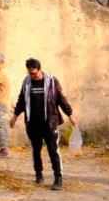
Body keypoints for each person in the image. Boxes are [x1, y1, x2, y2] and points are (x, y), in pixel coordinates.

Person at [10, 57, 74, 191]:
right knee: (36, 150)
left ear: (40, 69)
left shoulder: (51, 81)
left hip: (49, 122)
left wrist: (70, 115)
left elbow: (61, 99)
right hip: (33, 123)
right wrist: (15, 116)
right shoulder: (26, 82)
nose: (32, 75)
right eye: (30, 73)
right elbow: (21, 100)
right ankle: (38, 174)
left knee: (53, 150)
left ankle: (58, 178)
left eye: (34, 73)